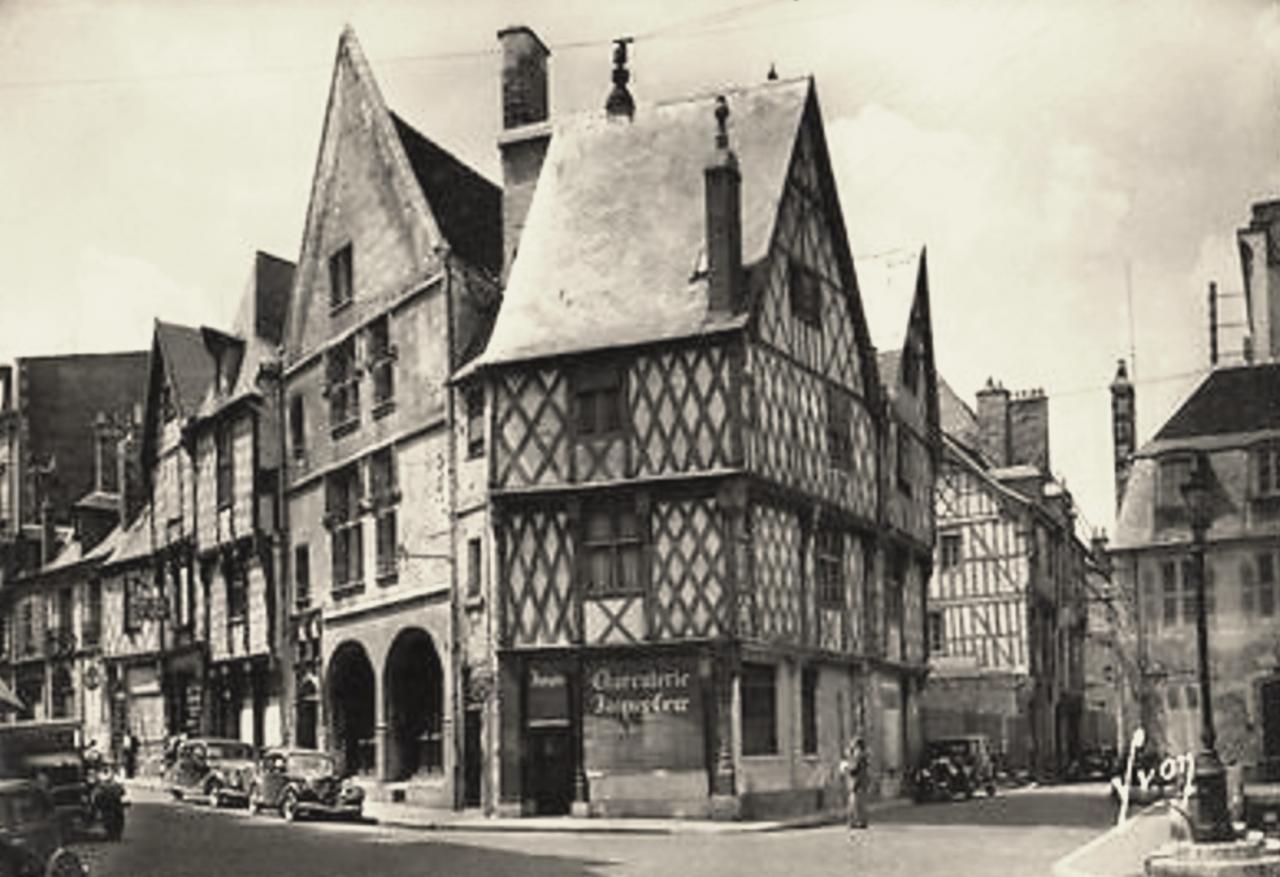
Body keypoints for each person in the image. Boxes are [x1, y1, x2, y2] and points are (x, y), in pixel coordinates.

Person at [839, 737, 869, 831]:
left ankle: (855, 822)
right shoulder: (862, 756)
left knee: (854, 803)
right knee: (859, 803)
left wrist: (845, 767)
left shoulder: (859, 756)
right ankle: (860, 821)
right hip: (860, 782)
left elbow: (853, 769)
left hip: (856, 782)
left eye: (854, 746)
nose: (853, 749)